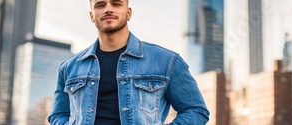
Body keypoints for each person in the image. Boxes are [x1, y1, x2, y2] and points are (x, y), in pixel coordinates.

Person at [48, 0, 210, 124]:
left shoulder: (167, 61)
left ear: (128, 13)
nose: (108, 9)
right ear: (92, 15)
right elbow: (58, 115)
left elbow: (196, 110)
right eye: (100, 5)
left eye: (116, 3)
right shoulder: (69, 68)